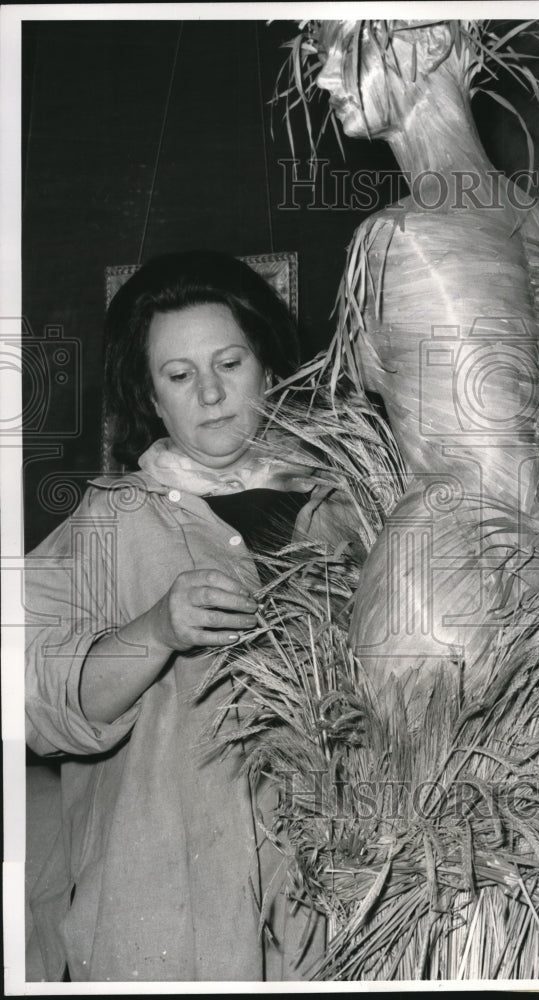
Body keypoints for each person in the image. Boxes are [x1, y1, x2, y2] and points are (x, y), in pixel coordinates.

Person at [25, 250, 332, 982]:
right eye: (179, 375)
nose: (212, 392)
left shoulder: (348, 508)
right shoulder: (109, 521)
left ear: (269, 368)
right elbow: (32, 698)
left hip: (337, 906)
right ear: (153, 400)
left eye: (230, 362)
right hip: (164, 918)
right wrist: (155, 630)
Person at [309, 20, 539, 695]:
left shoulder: (393, 237)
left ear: (431, 39)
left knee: (414, 795)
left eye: (342, 45)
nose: (324, 77)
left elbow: (382, 411)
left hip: (438, 582)